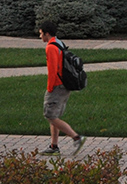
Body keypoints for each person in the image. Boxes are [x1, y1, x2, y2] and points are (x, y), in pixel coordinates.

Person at [38, 20, 86, 156]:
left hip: (57, 86)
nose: (40, 36)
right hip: (64, 85)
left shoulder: (50, 47)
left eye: (41, 34)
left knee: (50, 115)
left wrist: (50, 88)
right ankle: (54, 146)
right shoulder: (58, 43)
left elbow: (53, 70)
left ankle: (77, 138)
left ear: (47, 33)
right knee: (55, 116)